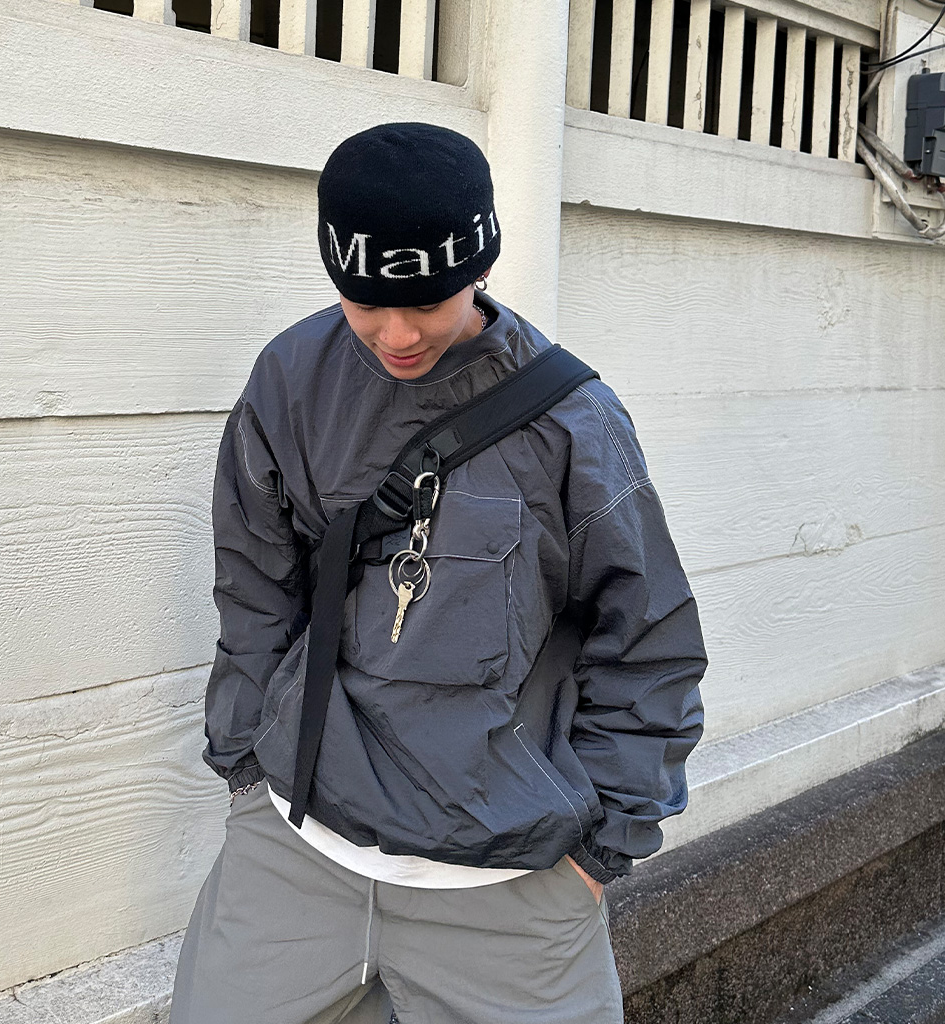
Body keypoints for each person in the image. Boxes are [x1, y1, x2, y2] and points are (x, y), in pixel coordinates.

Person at [169, 122, 707, 1024]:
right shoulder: (291, 381)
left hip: (510, 887)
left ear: (479, 264)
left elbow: (650, 641)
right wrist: (246, 770)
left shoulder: (574, 423)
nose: (397, 332)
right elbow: (255, 585)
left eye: (427, 300)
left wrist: (602, 849)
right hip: (295, 853)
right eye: (364, 301)